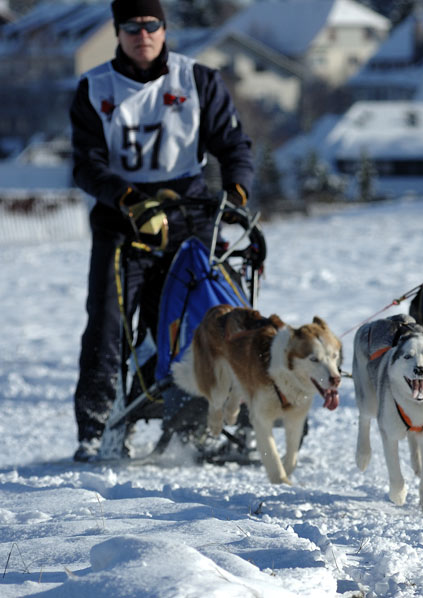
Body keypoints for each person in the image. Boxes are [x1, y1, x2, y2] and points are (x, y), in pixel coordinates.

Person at [69, 0, 254, 461]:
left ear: (164, 29)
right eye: (131, 26)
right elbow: (86, 164)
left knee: (186, 328)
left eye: (151, 25)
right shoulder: (94, 88)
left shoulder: (198, 80)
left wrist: (236, 192)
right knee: (109, 326)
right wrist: (128, 200)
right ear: (118, 32)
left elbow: (232, 144)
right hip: (121, 223)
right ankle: (95, 427)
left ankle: (188, 419)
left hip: (187, 219)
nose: (142, 34)